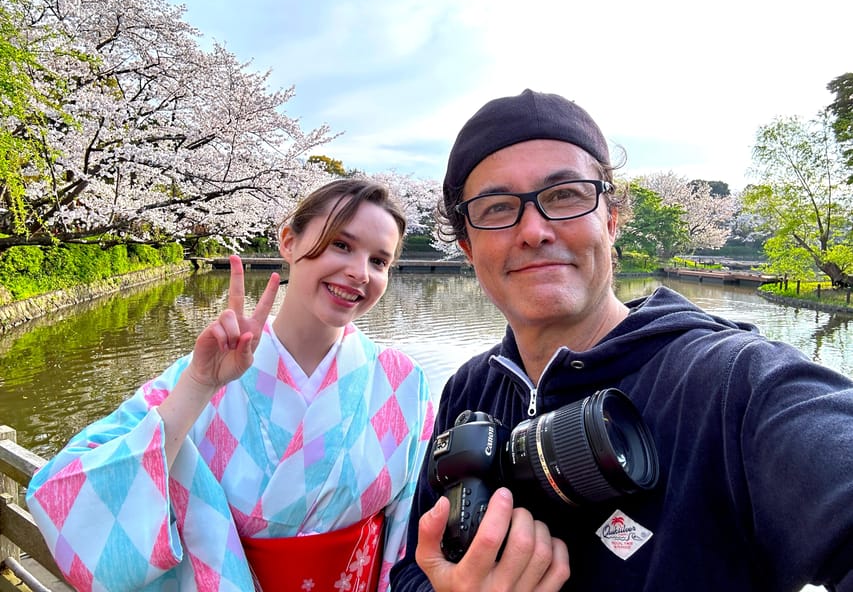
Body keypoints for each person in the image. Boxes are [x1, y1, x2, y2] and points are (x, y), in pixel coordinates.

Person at [389, 89, 853, 592]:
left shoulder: (735, 384)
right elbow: (414, 568)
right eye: (498, 207)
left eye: (565, 195)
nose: (534, 230)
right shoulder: (471, 390)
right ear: (467, 246)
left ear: (610, 221)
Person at [27, 178, 435, 591]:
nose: (359, 272)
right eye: (342, 245)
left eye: (379, 261)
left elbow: (412, 532)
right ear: (289, 242)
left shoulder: (402, 383)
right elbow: (65, 494)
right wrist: (200, 385)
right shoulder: (203, 371)